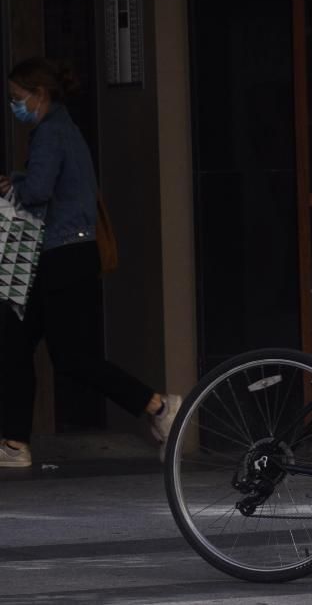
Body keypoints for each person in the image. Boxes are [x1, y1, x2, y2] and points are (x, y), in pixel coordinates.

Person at [0, 57, 181, 468]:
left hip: (58, 257)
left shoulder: (50, 134)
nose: (14, 106)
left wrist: (16, 181)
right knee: (17, 342)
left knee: (67, 356)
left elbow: (38, 191)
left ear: (39, 95)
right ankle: (14, 443)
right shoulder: (66, 130)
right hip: (64, 257)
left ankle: (157, 405)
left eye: (17, 97)